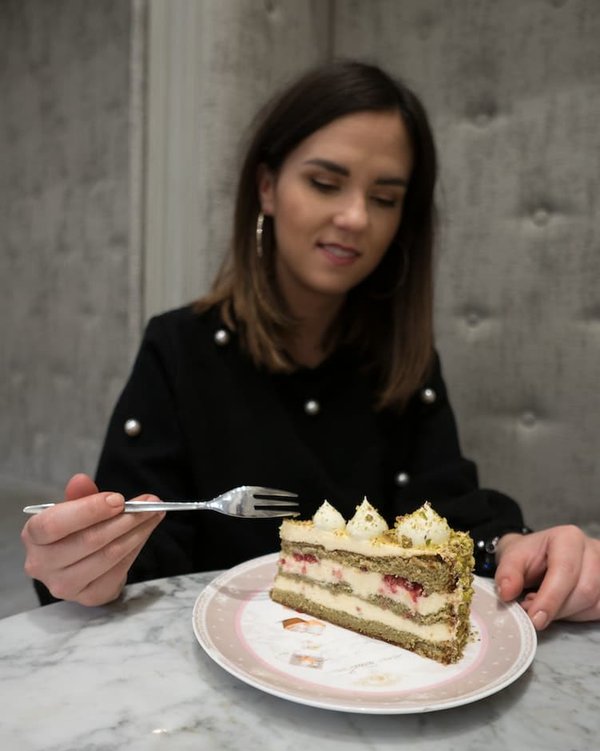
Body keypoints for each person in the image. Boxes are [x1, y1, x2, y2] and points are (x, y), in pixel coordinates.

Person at [21, 60, 599, 628]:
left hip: (370, 674)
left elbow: (447, 521)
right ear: (267, 187)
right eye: (325, 183)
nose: (355, 217)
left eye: (385, 198)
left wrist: (519, 548)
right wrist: (86, 564)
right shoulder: (179, 348)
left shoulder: (402, 362)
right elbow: (139, 551)